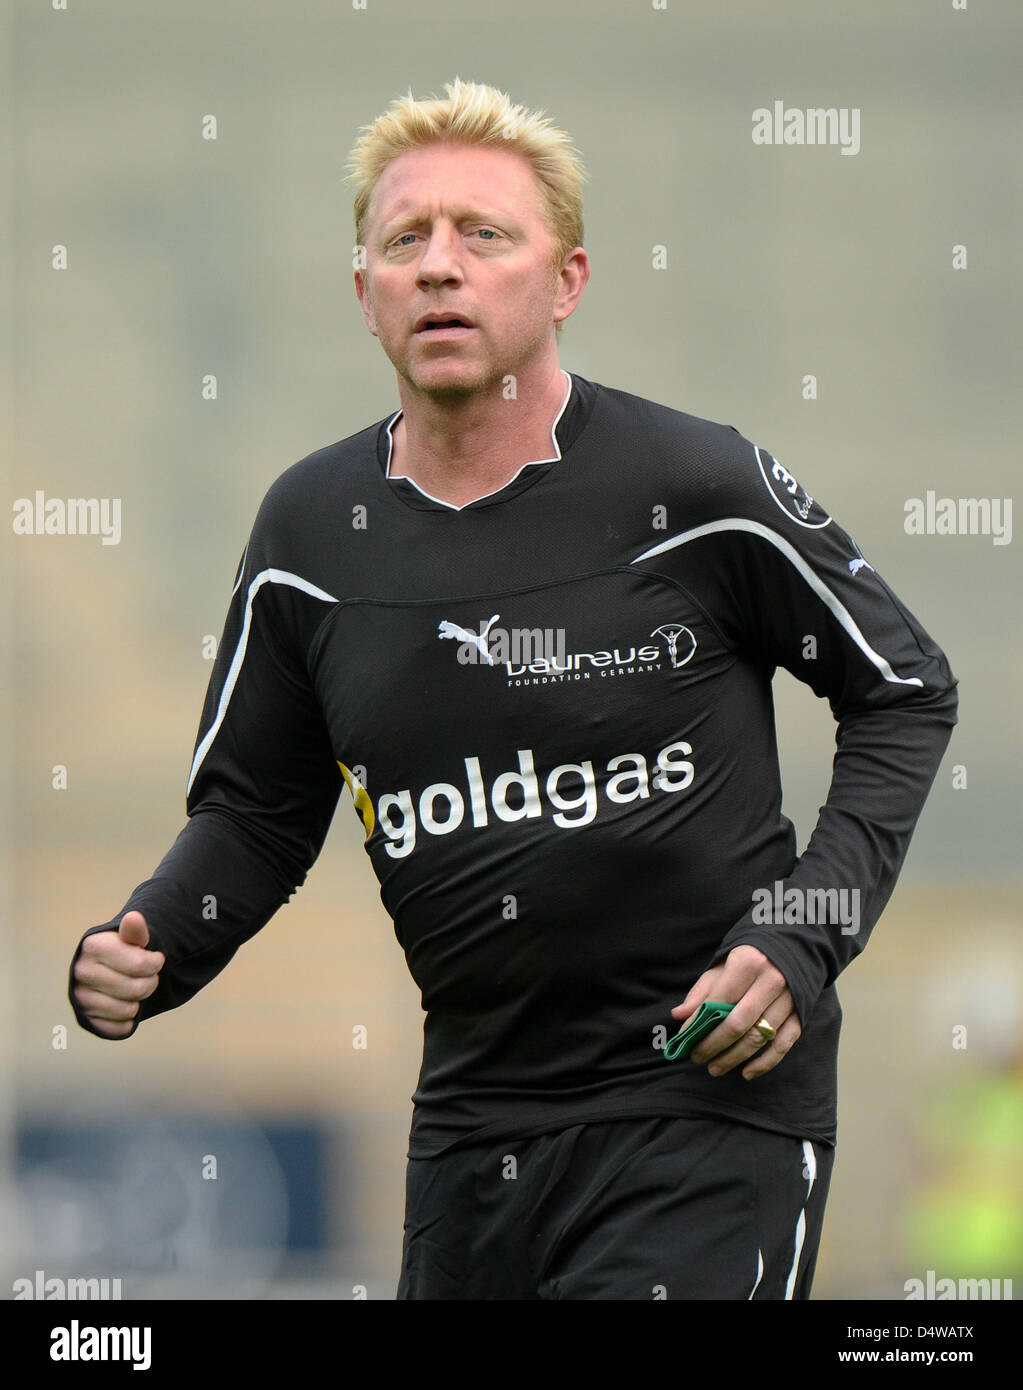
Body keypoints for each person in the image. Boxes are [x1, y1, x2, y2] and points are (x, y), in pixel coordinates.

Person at [69, 77, 958, 1300]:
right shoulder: (308, 536)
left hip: (702, 1104)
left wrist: (805, 931)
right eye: (406, 240)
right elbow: (259, 817)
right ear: (365, 293)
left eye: (484, 234)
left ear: (568, 280)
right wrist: (153, 940)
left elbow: (904, 690)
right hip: (474, 1127)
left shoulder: (695, 488)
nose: (442, 267)